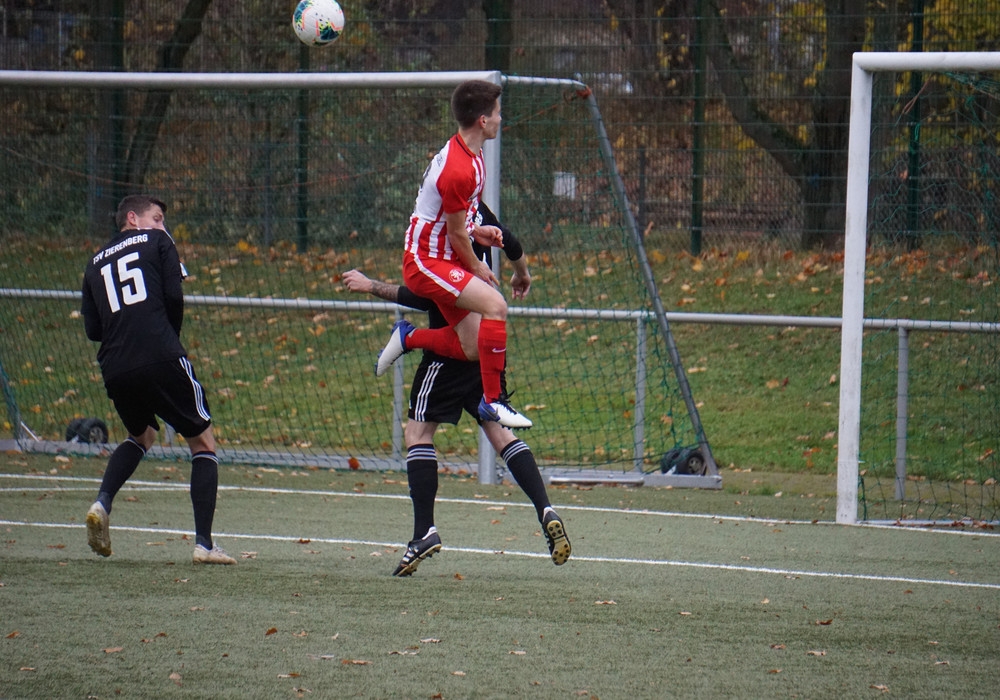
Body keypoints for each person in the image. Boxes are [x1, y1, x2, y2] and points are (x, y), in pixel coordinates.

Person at [343, 204, 571, 577]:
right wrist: (521, 273)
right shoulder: (479, 212)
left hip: (449, 354)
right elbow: (511, 242)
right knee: (500, 433)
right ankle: (545, 508)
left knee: (418, 433)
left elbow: (426, 294)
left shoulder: (443, 224)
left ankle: (424, 532)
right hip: (488, 347)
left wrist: (371, 286)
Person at [80, 194, 235, 565]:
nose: (163, 225)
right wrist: (168, 340)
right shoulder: (159, 242)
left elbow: (92, 329)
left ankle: (102, 503)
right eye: (158, 217)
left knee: (142, 434)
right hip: (160, 353)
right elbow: (173, 295)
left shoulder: (94, 262)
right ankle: (204, 544)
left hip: (115, 364)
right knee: (203, 442)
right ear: (132, 218)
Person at [375, 79, 533, 431]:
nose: (500, 118)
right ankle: (492, 403)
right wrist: (477, 267)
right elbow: (457, 234)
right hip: (425, 262)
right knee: (496, 306)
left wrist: (481, 232)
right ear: (482, 120)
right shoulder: (459, 168)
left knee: (474, 346)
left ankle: (407, 337)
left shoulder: (472, 158)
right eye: (496, 113)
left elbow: (460, 223)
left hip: (444, 257)